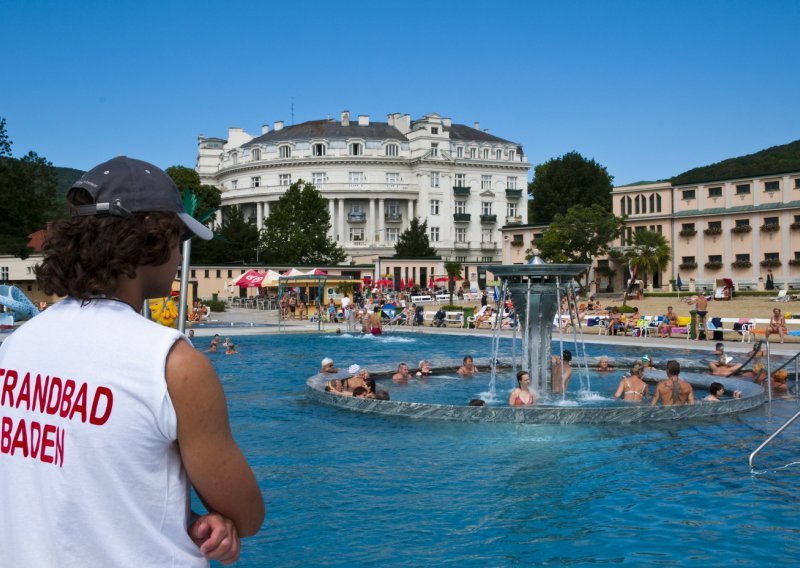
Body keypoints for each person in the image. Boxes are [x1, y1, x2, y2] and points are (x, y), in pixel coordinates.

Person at [0, 157, 264, 565]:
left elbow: (67, 486)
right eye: (177, 239)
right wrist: (222, 521)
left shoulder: (16, 347)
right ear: (150, 242)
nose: (178, 256)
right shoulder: (172, 365)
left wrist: (187, 517)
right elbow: (247, 514)